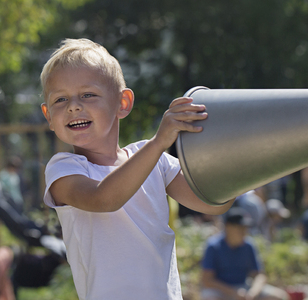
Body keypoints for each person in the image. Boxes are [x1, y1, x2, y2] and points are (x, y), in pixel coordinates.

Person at [40, 38, 235, 300]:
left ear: (123, 103)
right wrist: (159, 142)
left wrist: (240, 152)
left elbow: (213, 204)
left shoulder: (157, 161)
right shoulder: (63, 169)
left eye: (88, 94)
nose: (74, 106)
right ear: (48, 116)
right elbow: (104, 198)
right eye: (60, 99)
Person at [200, 207, 289, 300]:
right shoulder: (214, 246)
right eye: (240, 227)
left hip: (244, 288)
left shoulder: (248, 245)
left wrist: (253, 293)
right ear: (228, 227)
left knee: (279, 296)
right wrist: (233, 292)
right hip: (222, 291)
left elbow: (259, 275)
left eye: (245, 228)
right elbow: (207, 281)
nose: (244, 231)